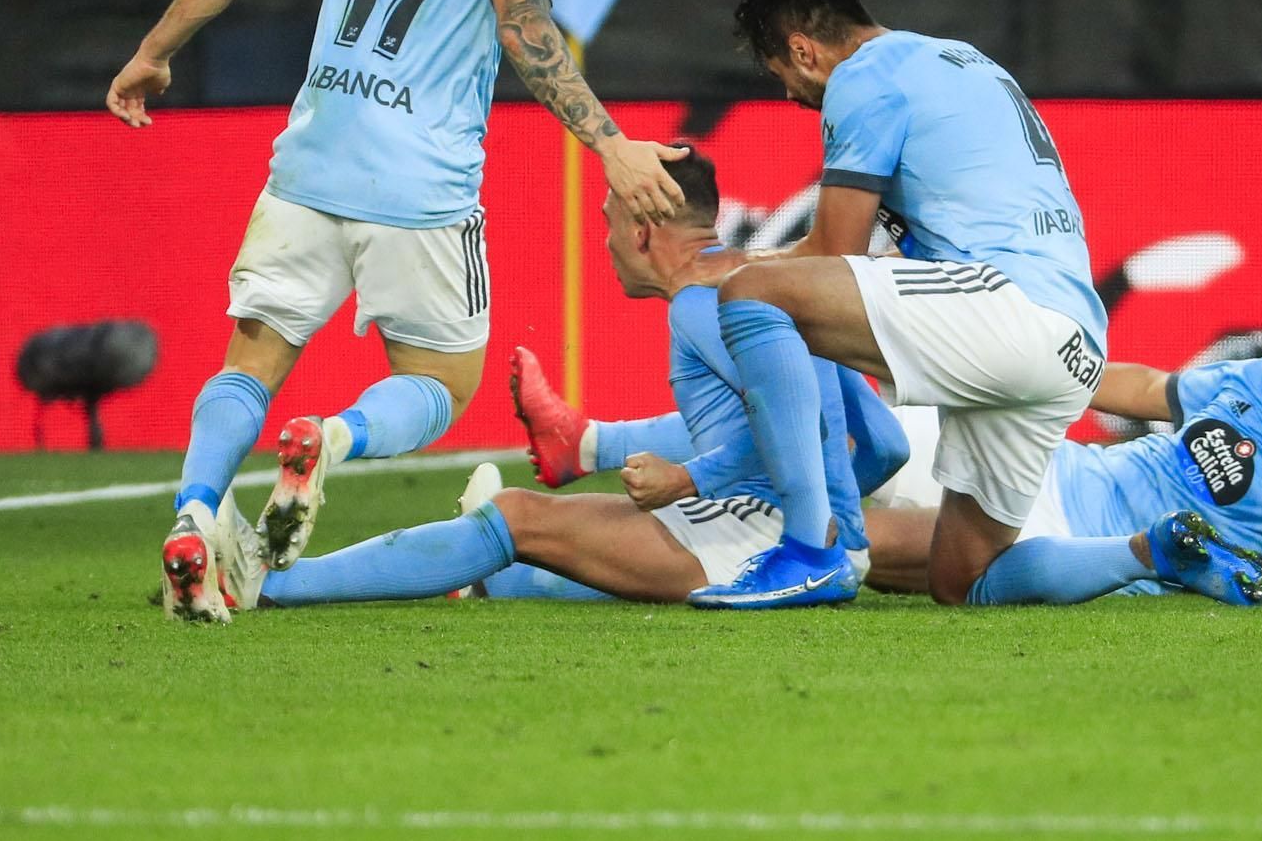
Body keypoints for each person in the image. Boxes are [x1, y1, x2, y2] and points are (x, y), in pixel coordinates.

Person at [107, 0, 689, 624]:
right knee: (443, 384)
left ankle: (192, 513)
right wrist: (610, 143)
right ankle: (330, 438)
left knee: (250, 361)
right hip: (421, 184)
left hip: (308, 161)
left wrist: (152, 52)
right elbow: (520, 19)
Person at [251, 153, 896, 611]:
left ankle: (271, 585)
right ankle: (480, 578)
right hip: (809, 538)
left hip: (773, 540)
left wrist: (690, 481)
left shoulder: (703, 304)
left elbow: (799, 419)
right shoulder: (767, 288)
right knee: (556, 547)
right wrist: (842, 519)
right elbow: (882, 443)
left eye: (610, 221)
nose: (605, 239)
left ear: (643, 232)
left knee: (518, 517)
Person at [709, 0, 1113, 609]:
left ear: (802, 49)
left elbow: (833, 253)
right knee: (962, 578)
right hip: (1075, 342)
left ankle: (809, 550)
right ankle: (1147, 555)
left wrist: (721, 266)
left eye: (780, 73)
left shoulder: (863, 79)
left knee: (751, 297)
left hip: (1007, 310)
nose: (788, 95)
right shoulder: (959, 59)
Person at [878, 306, 1262, 607]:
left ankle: (1158, 552)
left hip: (1072, 538)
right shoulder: (1260, 380)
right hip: (1056, 464)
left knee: (857, 543)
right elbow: (1148, 390)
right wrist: (1037, 372)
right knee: (860, 436)